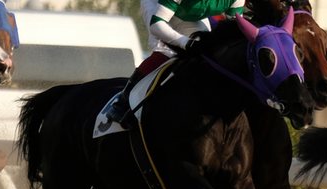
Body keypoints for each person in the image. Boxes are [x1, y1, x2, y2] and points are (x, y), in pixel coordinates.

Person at [105, 0, 246, 125]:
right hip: (157, 8)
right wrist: (185, 42)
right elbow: (156, 25)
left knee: (205, 54)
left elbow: (233, 31)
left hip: (189, 15)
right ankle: (122, 101)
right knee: (166, 52)